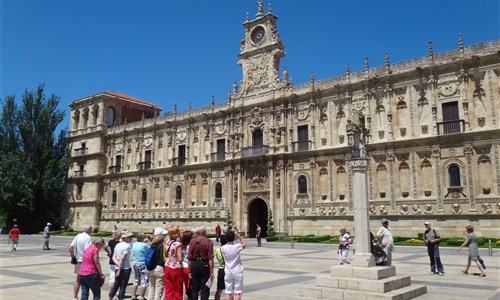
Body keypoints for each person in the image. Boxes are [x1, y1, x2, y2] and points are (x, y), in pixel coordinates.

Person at [188, 226, 214, 300]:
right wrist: (211, 271)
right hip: (204, 264)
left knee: (195, 287)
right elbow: (210, 258)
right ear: (203, 232)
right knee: (205, 287)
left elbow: (190, 257)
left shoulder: (192, 241)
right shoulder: (208, 241)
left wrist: (189, 270)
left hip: (195, 263)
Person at [221, 229, 247, 300]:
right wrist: (238, 236)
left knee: (228, 292)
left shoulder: (223, 248)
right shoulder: (237, 246)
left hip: (228, 271)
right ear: (234, 238)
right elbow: (244, 244)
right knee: (237, 292)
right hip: (237, 271)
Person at [69, 225, 93, 300]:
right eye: (91, 230)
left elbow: (70, 247)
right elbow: (87, 251)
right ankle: (85, 297)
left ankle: (75, 297)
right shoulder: (88, 238)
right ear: (89, 230)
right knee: (87, 281)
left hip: (78, 261)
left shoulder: (78, 235)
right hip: (85, 262)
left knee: (78, 280)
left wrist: (73, 257)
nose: (92, 232)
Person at [109, 230, 134, 300]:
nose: (131, 238)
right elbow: (123, 259)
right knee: (123, 286)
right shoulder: (127, 246)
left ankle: (110, 298)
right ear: (125, 238)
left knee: (116, 285)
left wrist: (118, 264)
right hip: (125, 268)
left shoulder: (117, 245)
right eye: (129, 237)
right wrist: (120, 269)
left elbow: (113, 257)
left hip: (117, 267)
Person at [147, 227, 168, 300]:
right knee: (159, 289)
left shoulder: (152, 245)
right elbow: (162, 259)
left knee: (151, 288)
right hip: (159, 268)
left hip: (151, 267)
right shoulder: (162, 245)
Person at [165, 225, 184, 300]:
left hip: (167, 266)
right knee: (178, 289)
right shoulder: (177, 245)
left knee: (169, 289)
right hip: (176, 268)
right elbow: (179, 259)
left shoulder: (168, 242)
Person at [131, 233, 150, 300]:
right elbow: (150, 250)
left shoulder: (134, 244)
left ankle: (133, 295)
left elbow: (140, 246)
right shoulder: (145, 245)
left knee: (136, 280)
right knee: (144, 281)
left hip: (135, 263)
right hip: (143, 264)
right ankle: (142, 296)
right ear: (143, 238)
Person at [181, 230, 194, 300]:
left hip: (183, 267)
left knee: (186, 287)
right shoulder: (190, 246)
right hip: (188, 267)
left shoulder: (182, 246)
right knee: (189, 288)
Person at [214, 236, 228, 300]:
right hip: (228, 269)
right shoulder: (229, 250)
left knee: (219, 289)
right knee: (229, 290)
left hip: (221, 269)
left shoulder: (217, 250)